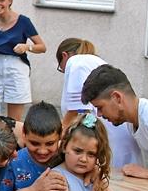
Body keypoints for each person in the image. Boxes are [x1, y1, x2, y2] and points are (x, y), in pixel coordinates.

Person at [55, 37, 141, 169]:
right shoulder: (94, 62)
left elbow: (78, 111)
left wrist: (56, 138)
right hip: (121, 141)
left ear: (64, 56)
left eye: (61, 69)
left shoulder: (76, 63)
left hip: (109, 141)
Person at [0, 0, 44, 121]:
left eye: (1, 0)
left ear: (10, 1)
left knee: (13, 121)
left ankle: (12, 140)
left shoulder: (24, 21)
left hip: (17, 67)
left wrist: (27, 47)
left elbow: (42, 47)